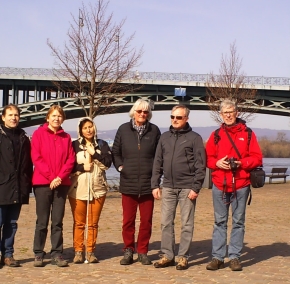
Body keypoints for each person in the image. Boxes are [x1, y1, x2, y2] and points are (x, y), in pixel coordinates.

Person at [205, 99, 263, 271]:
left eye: (231, 111)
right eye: (225, 112)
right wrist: (217, 164)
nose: (228, 115)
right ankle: (217, 257)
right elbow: (208, 158)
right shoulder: (215, 135)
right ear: (221, 115)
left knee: (238, 221)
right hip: (219, 184)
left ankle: (235, 257)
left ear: (237, 113)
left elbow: (257, 158)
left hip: (241, 184)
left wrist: (241, 163)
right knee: (219, 221)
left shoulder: (248, 133)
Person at [151, 105, 206, 270]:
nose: (175, 120)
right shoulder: (164, 137)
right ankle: (167, 255)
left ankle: (182, 257)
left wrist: (196, 187)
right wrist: (155, 184)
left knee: (186, 224)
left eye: (179, 117)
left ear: (186, 119)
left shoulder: (194, 138)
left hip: (187, 187)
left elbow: (200, 165)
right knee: (166, 223)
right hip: (168, 186)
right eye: (172, 116)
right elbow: (157, 162)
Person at [0, 104, 33, 269]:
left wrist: (26, 185)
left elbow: (28, 165)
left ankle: (8, 254)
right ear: (3, 117)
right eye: (10, 115)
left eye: (16, 115)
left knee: (12, 223)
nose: (13, 118)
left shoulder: (23, 138)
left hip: (17, 188)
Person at [112, 98, 161, 265]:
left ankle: (143, 251)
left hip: (148, 183)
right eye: (139, 111)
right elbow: (115, 152)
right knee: (128, 220)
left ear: (149, 114)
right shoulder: (123, 129)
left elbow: (158, 156)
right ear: (134, 112)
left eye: (145, 112)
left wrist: (156, 177)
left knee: (146, 221)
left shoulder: (154, 131)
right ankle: (128, 250)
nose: (142, 114)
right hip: (128, 181)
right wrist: (120, 167)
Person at [31, 105, 75, 267]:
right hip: (43, 183)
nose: (56, 119)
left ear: (63, 119)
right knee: (42, 221)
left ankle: (57, 253)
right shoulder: (38, 134)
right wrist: (51, 177)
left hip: (61, 184)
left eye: (59, 116)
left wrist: (59, 177)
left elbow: (70, 160)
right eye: (54, 116)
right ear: (47, 118)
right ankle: (38, 253)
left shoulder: (66, 137)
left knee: (57, 221)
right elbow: (36, 157)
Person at [68, 117, 112, 264]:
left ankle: (91, 251)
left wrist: (95, 153)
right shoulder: (73, 145)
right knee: (79, 222)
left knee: (93, 223)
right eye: (85, 127)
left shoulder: (102, 144)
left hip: (97, 189)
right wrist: (82, 168)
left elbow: (107, 164)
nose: (88, 130)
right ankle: (78, 251)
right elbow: (69, 166)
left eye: (91, 127)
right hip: (78, 189)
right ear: (80, 130)